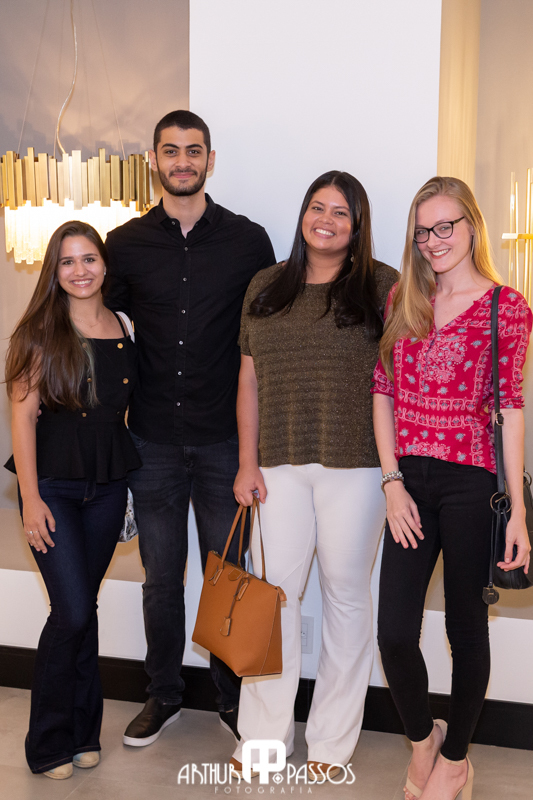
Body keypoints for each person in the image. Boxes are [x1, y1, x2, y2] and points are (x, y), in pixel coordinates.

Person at [105, 110, 276, 746]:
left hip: (225, 442)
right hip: (149, 439)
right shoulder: (122, 245)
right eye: (171, 150)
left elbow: (267, 339)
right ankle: (164, 695)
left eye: (194, 150)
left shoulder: (248, 241)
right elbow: (100, 330)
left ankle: (234, 702)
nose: (183, 161)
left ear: (210, 159)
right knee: (160, 579)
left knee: (230, 576)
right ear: (154, 159)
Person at [230, 170, 398, 778]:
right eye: (318, 207)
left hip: (357, 469)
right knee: (272, 597)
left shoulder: (383, 286)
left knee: (346, 597)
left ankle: (331, 743)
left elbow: (402, 376)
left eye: (341, 212)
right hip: (276, 466)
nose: (326, 220)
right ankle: (261, 739)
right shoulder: (266, 284)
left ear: (357, 226)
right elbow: (248, 380)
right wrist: (246, 462)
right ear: (303, 214)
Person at [372, 176, 532, 800]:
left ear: (471, 226)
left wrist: (517, 513)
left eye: (445, 227)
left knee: (467, 633)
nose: (434, 241)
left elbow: (511, 408)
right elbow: (382, 392)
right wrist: (391, 481)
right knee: (393, 633)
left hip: (472, 486)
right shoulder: (403, 298)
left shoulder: (506, 307)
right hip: (408, 483)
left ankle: (457, 760)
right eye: (423, 231)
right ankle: (423, 742)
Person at [4, 221, 140, 779]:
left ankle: (85, 734)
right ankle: (47, 743)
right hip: (52, 488)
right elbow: (22, 417)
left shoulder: (124, 325)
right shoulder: (39, 331)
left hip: (107, 487)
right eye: (67, 262)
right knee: (73, 610)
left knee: (85, 608)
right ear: (54, 271)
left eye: (89, 259)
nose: (80, 271)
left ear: (105, 265)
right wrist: (31, 498)